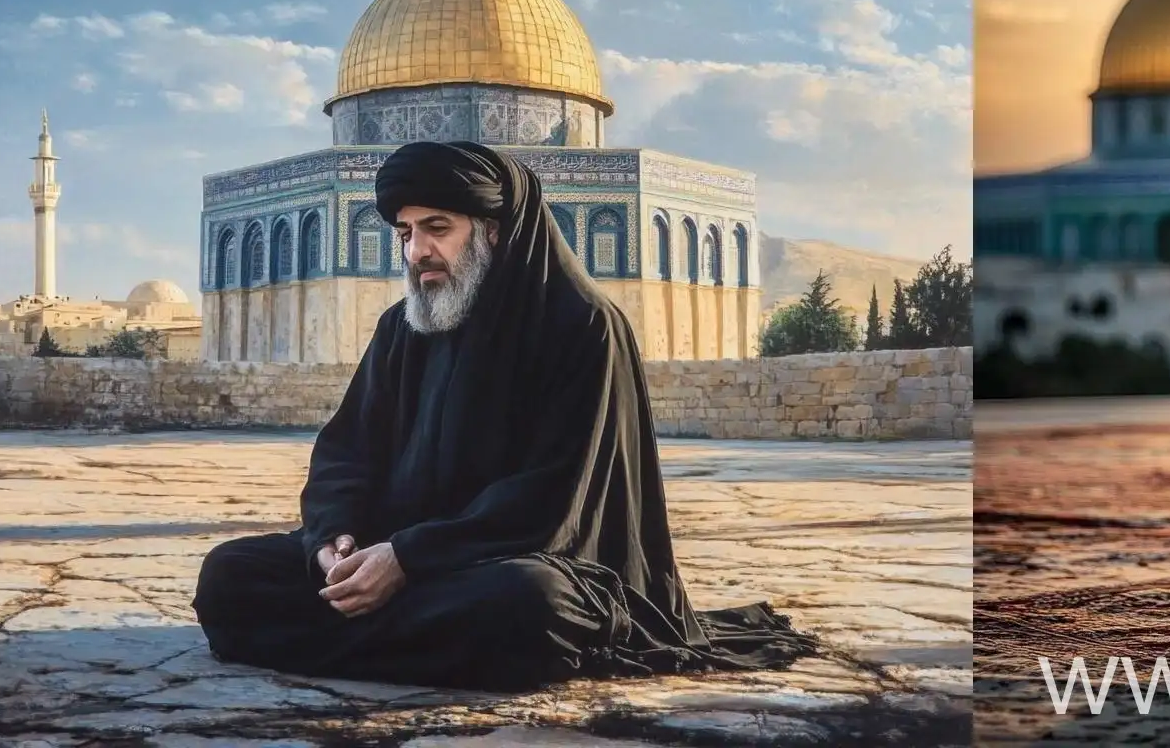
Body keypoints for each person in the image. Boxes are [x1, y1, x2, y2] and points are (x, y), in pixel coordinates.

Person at [193, 141, 811, 689]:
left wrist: (409, 559)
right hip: (402, 556)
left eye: (438, 227)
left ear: (495, 229)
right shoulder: (403, 327)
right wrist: (335, 541)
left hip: (522, 559)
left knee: (526, 605)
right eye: (406, 233)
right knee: (230, 575)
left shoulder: (582, 327)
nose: (419, 251)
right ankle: (421, 639)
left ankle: (361, 636)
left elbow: (554, 498)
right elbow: (347, 452)